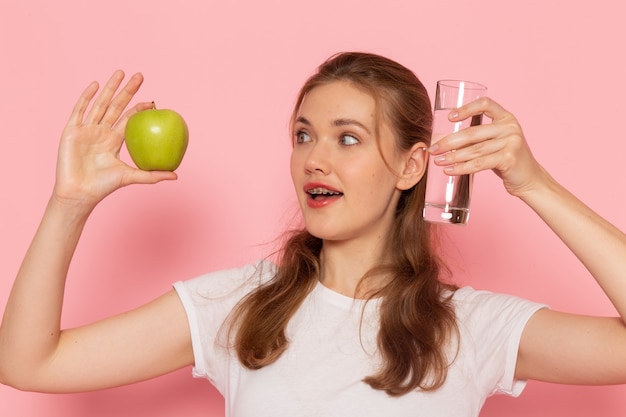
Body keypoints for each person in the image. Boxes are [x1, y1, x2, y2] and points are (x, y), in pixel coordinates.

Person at [0, 52, 625, 417]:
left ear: (413, 165)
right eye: (304, 135)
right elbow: (28, 363)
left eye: (347, 137)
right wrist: (68, 203)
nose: (313, 160)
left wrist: (532, 183)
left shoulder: (468, 328)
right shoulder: (240, 307)